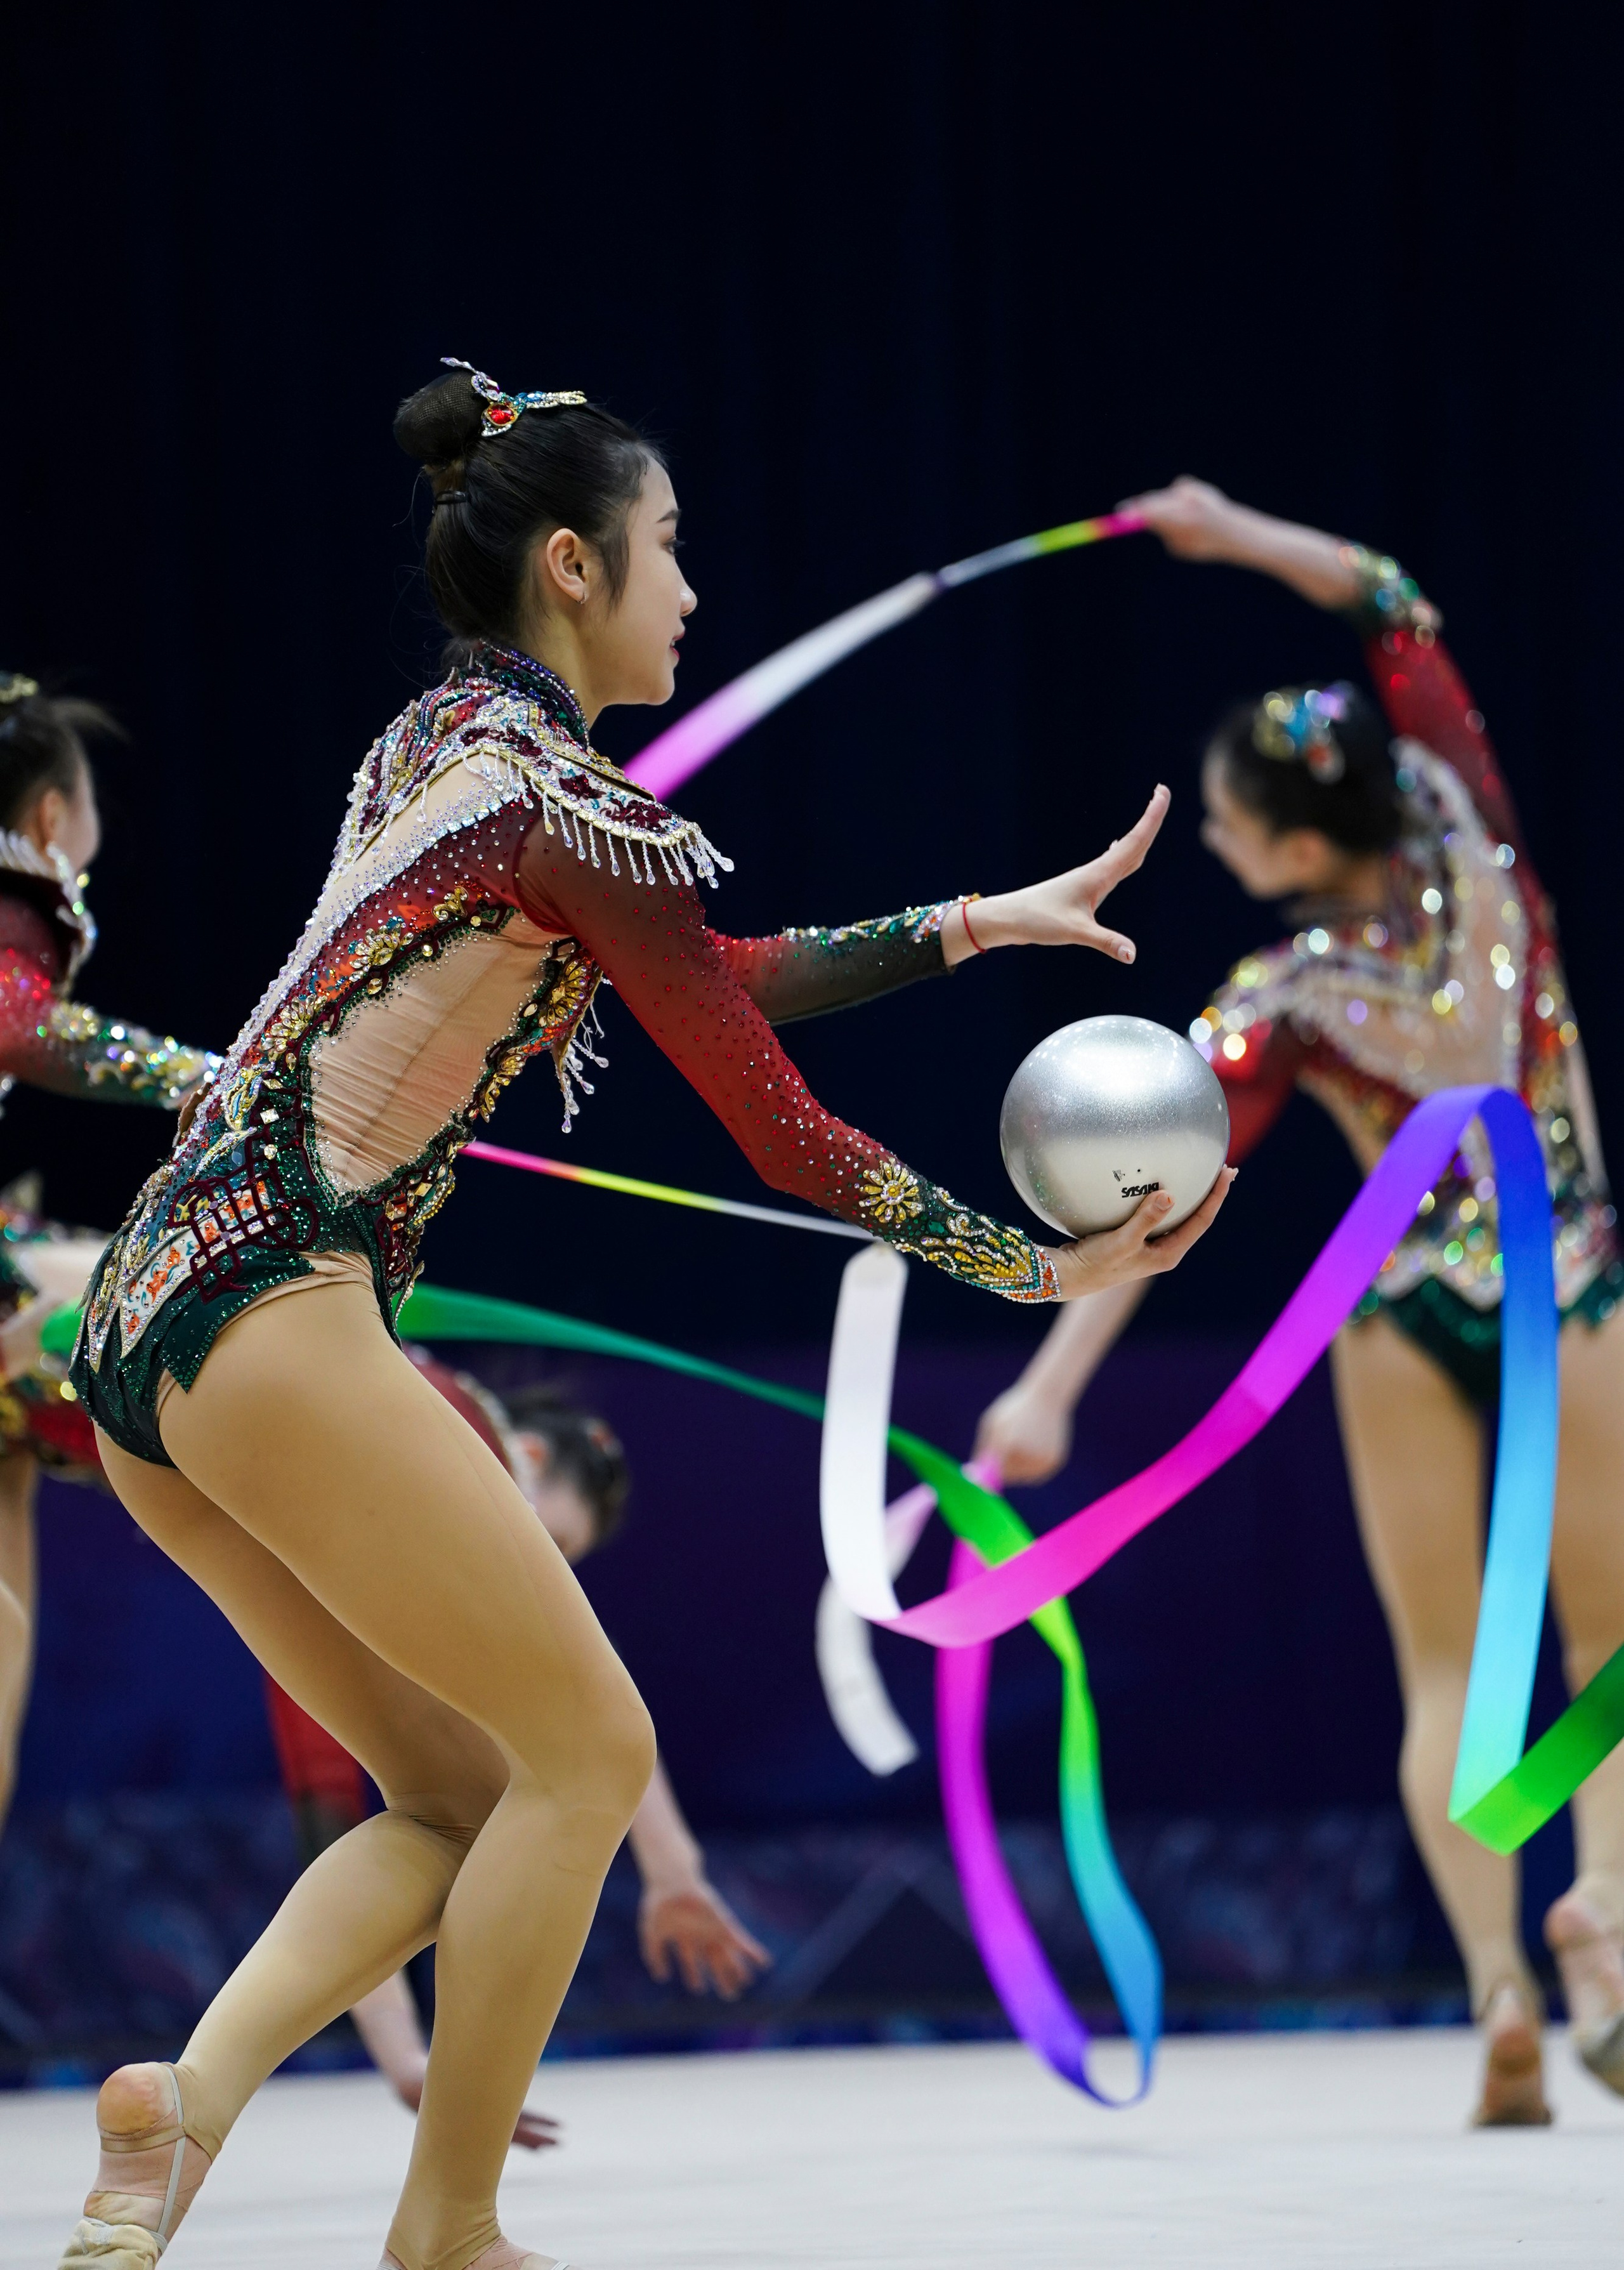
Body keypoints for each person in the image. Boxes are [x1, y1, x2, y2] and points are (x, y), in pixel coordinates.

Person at [55, 362, 1230, 2270]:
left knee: (449, 1788)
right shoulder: (573, 808)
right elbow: (777, 1129)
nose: (692, 588)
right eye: (671, 549)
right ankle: (449, 2223)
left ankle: (183, 2103)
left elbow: (712, 975)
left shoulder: (437, 740)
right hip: (282, 1301)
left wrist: (969, 923)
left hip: (146, 1323)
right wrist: (1036, 1266)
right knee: (587, 1755)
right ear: (579, 564)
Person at [972, 477, 1624, 2129]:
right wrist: (1236, 532)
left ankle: (1496, 1990)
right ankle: (1604, 1917)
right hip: (1573, 1276)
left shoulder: (1280, 1001)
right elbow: (1394, 595)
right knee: (1606, 1646)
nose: (1209, 838)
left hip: (1403, 1310)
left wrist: (1050, 1386)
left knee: (1441, 1677)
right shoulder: (1472, 831)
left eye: (1224, 820)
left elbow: (1155, 1201)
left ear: (1297, 842)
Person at [263, 1358, 768, 2149]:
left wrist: (403, 2057)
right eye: (557, 1543)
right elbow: (584, 1699)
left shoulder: (352, 1550)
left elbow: (325, 1795)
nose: (551, 1572)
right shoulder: (464, 1441)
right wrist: (670, 1865)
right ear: (526, 1457)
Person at [0, 675, 217, 1821]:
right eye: (87, 811)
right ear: (49, 818)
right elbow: (19, 1027)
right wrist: (200, 1077)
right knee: (148, 1300)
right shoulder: (15, 897)